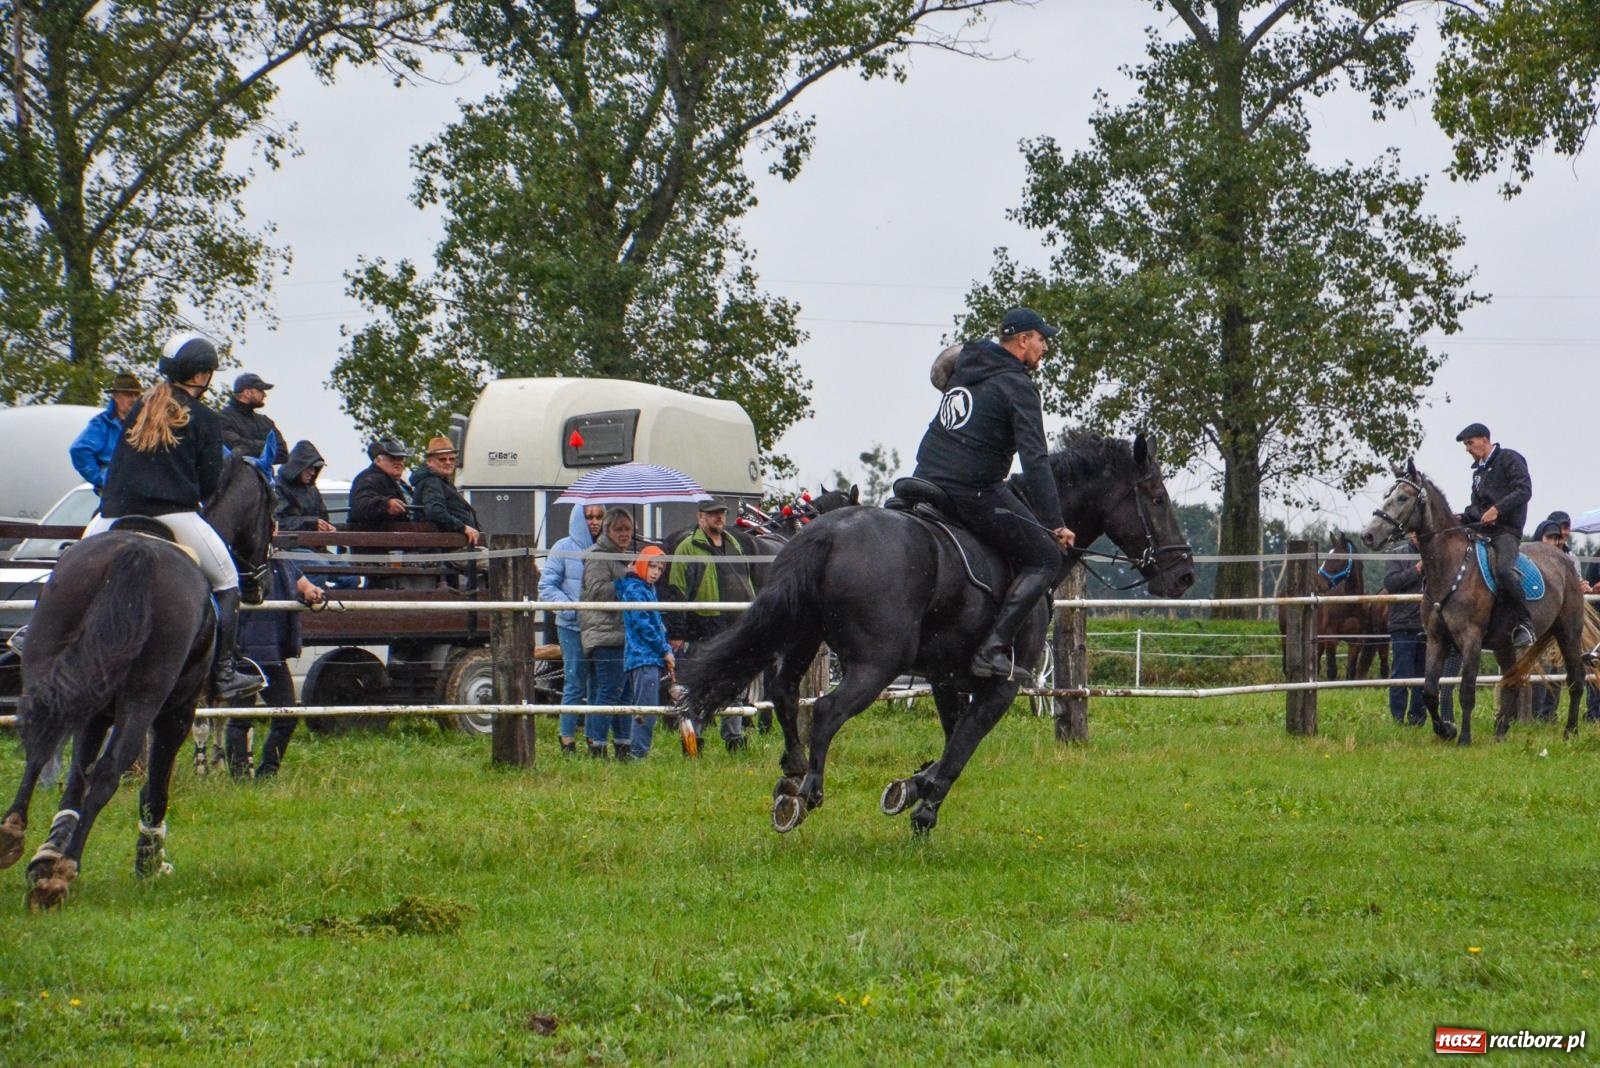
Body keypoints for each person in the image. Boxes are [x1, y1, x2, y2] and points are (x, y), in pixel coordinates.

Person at [80, 332, 263, 700]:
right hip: (173, 515)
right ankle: (224, 674)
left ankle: (38, 635)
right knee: (228, 581)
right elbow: (208, 485)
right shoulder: (205, 418)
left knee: (70, 568)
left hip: (113, 514)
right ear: (198, 376)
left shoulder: (140, 408)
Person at [912, 306, 1075, 678]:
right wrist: (1054, 522)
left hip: (924, 479)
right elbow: (1035, 460)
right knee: (1046, 558)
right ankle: (993, 647)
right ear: (1023, 340)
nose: (1045, 347)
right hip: (972, 490)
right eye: (1042, 339)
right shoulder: (1018, 386)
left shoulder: (965, 371)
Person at [224, 534, 325, 779]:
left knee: (287, 717)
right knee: (241, 718)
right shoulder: (241, 560)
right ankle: (239, 776)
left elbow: (304, 585)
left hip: (275, 654)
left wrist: (313, 593)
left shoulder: (281, 560)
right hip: (246, 653)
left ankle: (267, 773)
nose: (276, 531)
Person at [666, 499, 756, 752]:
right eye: (713, 514)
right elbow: (676, 591)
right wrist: (677, 632)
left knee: (735, 685)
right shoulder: (687, 548)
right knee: (698, 685)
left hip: (735, 627)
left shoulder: (734, 544)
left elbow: (747, 582)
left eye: (722, 513)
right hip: (701, 629)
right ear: (700, 517)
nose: (719, 518)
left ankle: (734, 739)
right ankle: (694, 740)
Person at [1455, 422, 1534, 648]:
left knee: (1504, 571)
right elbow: (1476, 507)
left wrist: (1497, 509)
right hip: (1482, 531)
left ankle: (1525, 623)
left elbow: (1524, 490)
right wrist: (1461, 517)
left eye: (1469, 443)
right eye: (1465, 445)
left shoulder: (1509, 458)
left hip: (1506, 531)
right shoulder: (1477, 473)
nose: (1467, 449)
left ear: (1484, 440)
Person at [539, 504, 605, 754]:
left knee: (598, 682)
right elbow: (547, 586)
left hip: (601, 627)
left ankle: (594, 738)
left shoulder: (609, 549)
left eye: (599, 516)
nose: (594, 522)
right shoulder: (563, 547)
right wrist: (571, 609)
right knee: (575, 680)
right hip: (572, 626)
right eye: (589, 517)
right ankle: (567, 737)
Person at [580, 508, 636, 758]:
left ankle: (623, 745)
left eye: (628, 529)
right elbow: (597, 592)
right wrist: (627, 578)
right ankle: (598, 745)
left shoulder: (623, 557)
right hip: (604, 634)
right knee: (609, 691)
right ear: (607, 531)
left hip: (622, 633)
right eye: (619, 529)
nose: (624, 534)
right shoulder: (598, 557)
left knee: (625, 694)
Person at [617, 545, 674, 760]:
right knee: (646, 709)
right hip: (643, 656)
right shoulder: (636, 590)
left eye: (660, 569)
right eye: (652, 566)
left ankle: (639, 751)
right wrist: (665, 650)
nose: (656, 572)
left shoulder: (646, 589)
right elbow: (645, 625)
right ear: (642, 564)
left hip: (648, 656)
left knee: (646, 707)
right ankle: (638, 753)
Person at [69, 372, 143, 493]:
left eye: (137, 395)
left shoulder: (147, 423)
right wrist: (102, 479)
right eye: (128, 395)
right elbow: (79, 451)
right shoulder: (102, 423)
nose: (134, 399)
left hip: (143, 491)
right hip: (115, 494)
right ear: (115, 397)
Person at [1383, 535, 1428, 726]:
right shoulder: (1397, 554)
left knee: (1424, 675)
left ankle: (1417, 719)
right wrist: (1416, 570)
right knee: (1401, 674)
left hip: (1428, 625)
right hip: (1402, 624)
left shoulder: (1435, 552)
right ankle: (1397, 719)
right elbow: (1391, 583)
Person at [409, 436, 483, 546]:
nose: (448, 462)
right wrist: (462, 527)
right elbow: (435, 511)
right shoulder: (432, 481)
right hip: (444, 548)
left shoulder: (441, 481)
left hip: (453, 544)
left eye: (452, 459)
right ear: (429, 462)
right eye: (442, 459)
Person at [219, 371, 288, 465]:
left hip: (261, 475)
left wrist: (249, 447)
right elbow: (233, 446)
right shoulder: (223, 417)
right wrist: (266, 446)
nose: (264, 395)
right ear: (247, 393)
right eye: (260, 390)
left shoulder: (265, 422)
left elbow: (283, 453)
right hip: (232, 473)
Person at [348, 437, 413, 530]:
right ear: (378, 460)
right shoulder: (368, 478)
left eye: (401, 458)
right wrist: (386, 505)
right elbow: (360, 505)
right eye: (393, 458)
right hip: (376, 537)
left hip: (400, 536)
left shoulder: (402, 484)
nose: (399, 463)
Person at [273, 440, 334, 532]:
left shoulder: (312, 490)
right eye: (309, 467)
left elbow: (323, 517)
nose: (313, 472)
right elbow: (277, 522)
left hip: (314, 540)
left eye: (315, 468)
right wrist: (310, 524)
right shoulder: (277, 487)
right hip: (288, 540)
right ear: (298, 466)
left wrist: (328, 527)